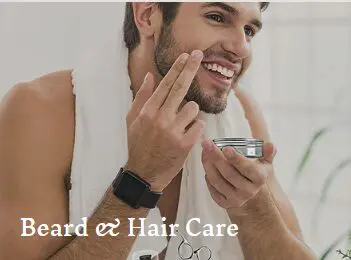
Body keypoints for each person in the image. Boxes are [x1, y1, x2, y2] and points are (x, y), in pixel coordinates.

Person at [0, 2, 316, 260]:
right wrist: (139, 181)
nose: (242, 48)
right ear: (148, 14)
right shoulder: (39, 111)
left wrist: (253, 208)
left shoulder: (242, 116)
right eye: (217, 17)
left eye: (250, 30)